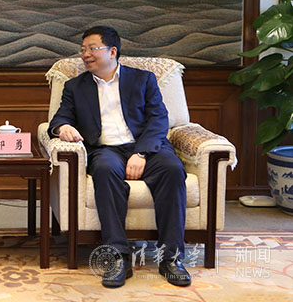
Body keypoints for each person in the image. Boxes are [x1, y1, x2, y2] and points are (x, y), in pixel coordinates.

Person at [48, 26, 191, 288]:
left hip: (146, 146)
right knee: (104, 170)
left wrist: (141, 153)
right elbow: (59, 118)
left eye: (92, 48)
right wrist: (63, 127)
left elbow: (159, 119)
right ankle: (118, 257)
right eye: (83, 49)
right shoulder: (75, 87)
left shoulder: (143, 79)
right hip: (105, 150)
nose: (85, 54)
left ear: (112, 51)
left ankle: (171, 258)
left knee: (172, 169)